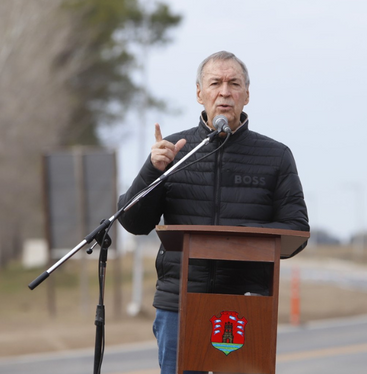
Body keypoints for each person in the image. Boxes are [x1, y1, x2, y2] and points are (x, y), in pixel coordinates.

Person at [118, 51, 309, 374]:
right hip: (180, 303)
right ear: (199, 93)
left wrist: (236, 236)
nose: (224, 92)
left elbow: (296, 229)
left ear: (246, 95)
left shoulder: (275, 156)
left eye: (234, 84)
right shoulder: (175, 150)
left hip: (245, 303)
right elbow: (132, 222)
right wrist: (153, 170)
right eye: (215, 83)